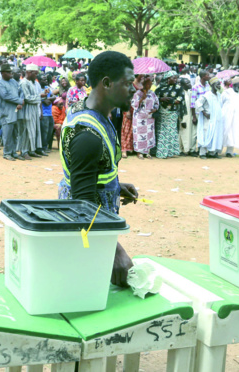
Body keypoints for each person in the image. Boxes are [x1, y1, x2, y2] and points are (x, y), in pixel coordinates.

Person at [58, 51, 138, 287]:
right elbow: (82, 203)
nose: (133, 89)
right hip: (85, 231)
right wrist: (113, 251)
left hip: (94, 226)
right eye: (127, 83)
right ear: (106, 83)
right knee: (84, 288)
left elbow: (89, 172)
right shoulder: (87, 135)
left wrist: (113, 187)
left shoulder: (97, 114)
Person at [0, 63, 23, 160]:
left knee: (14, 134)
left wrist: (21, 102)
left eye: (11, 72)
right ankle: (6, 153)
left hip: (16, 112)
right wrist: (19, 100)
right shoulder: (0, 84)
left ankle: (13, 152)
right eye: (8, 72)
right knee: (7, 135)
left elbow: (21, 91)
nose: (11, 73)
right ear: (2, 73)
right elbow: (5, 96)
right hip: (6, 112)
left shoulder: (14, 82)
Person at [154, 71, 183, 159]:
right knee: (161, 131)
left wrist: (170, 101)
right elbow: (155, 98)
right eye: (173, 78)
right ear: (168, 78)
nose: (175, 79)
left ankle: (170, 152)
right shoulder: (160, 88)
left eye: (176, 78)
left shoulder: (178, 88)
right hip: (162, 112)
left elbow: (180, 99)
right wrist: (161, 99)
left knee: (171, 131)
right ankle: (161, 152)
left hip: (172, 112)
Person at [195, 77, 224, 159]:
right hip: (209, 120)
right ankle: (202, 153)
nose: (219, 85)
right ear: (211, 84)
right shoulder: (207, 95)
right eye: (217, 83)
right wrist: (204, 112)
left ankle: (212, 152)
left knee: (215, 135)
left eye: (219, 83)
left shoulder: (219, 95)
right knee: (206, 134)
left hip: (217, 120)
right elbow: (197, 103)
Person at [19, 64, 43, 159]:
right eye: (35, 73)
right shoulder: (24, 83)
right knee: (26, 130)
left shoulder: (32, 82)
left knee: (33, 130)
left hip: (33, 110)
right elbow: (27, 98)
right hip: (27, 110)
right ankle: (24, 151)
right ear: (29, 72)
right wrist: (40, 97)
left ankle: (30, 150)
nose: (36, 75)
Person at [131, 76, 159, 159]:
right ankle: (139, 152)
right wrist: (141, 99)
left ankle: (147, 152)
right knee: (139, 135)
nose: (150, 86)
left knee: (149, 135)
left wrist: (155, 109)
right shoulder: (138, 93)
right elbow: (133, 104)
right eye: (148, 84)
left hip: (149, 117)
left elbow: (157, 103)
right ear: (144, 84)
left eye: (151, 84)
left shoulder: (152, 93)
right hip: (139, 118)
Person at [221, 76, 239, 157]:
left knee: (234, 133)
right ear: (234, 85)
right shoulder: (226, 92)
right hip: (227, 117)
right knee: (224, 133)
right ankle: (217, 150)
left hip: (237, 118)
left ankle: (229, 152)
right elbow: (221, 103)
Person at [121, 75, 142, 158]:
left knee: (138, 129)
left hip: (139, 109)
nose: (143, 76)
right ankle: (124, 150)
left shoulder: (143, 84)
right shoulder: (129, 84)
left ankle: (137, 150)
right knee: (126, 128)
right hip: (129, 108)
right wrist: (127, 110)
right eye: (142, 74)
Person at [179, 77, 197, 156]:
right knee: (184, 133)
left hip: (191, 116)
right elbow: (179, 108)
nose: (190, 84)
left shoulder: (190, 92)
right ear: (183, 85)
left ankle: (191, 149)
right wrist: (182, 120)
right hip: (184, 117)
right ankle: (183, 150)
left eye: (190, 82)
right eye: (187, 83)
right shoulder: (181, 94)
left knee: (192, 133)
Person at [39, 73, 56, 153]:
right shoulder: (39, 89)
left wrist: (48, 98)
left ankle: (46, 146)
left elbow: (54, 96)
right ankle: (43, 147)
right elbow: (43, 102)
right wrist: (47, 99)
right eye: (43, 79)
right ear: (39, 80)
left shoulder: (47, 88)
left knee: (50, 131)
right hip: (44, 113)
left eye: (46, 79)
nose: (45, 81)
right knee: (44, 132)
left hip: (50, 113)